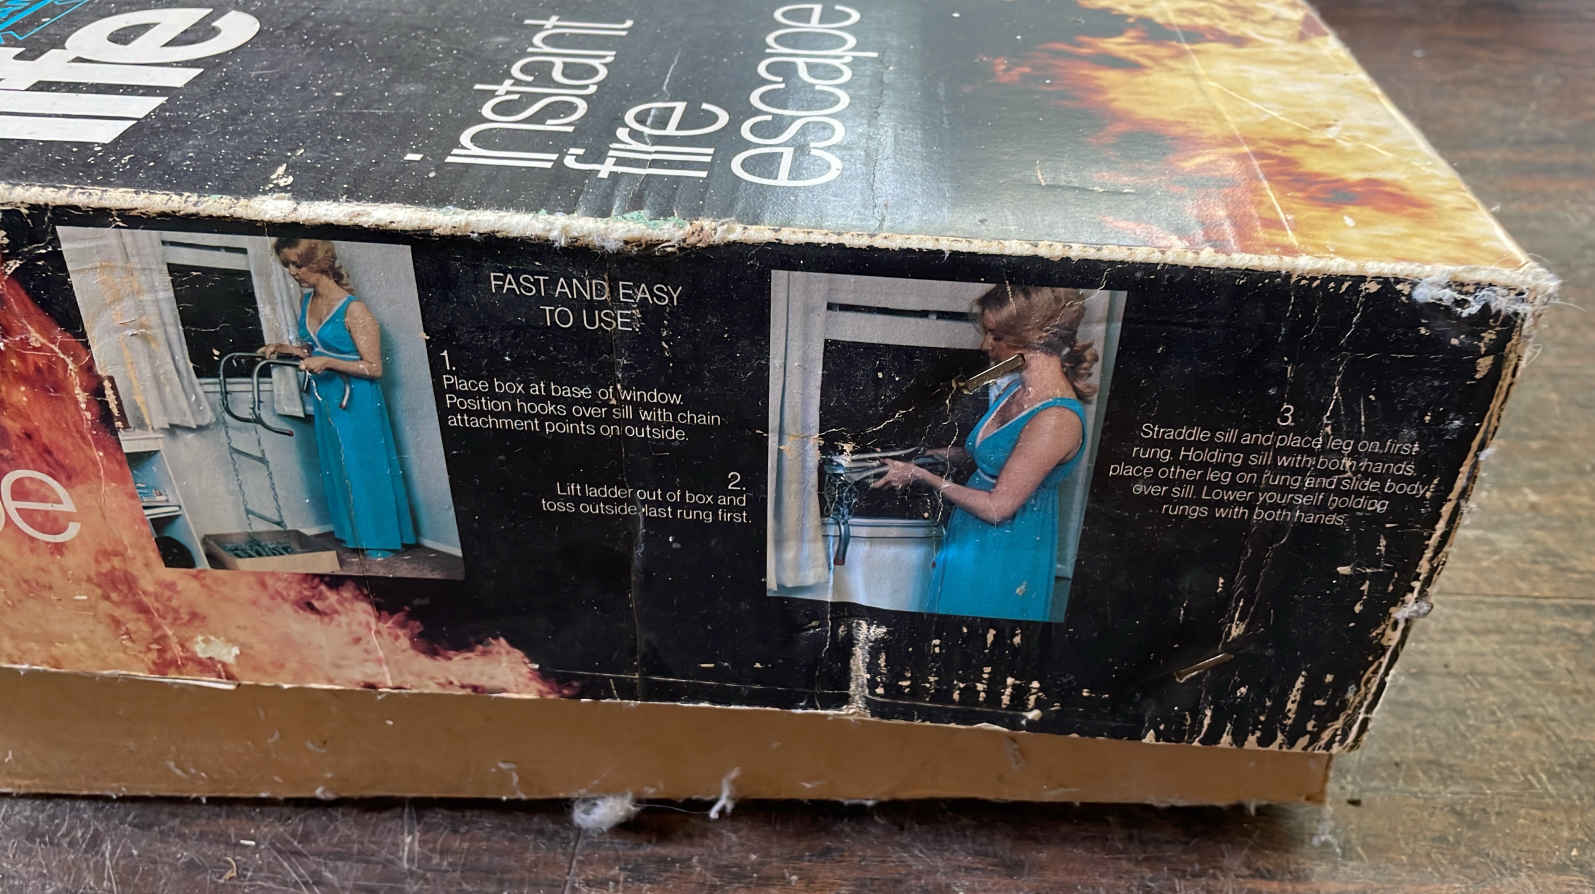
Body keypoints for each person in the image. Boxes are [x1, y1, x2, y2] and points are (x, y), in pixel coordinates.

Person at [873, 285, 1097, 621]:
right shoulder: (1016, 388)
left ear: (1035, 337)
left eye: (996, 336)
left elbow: (997, 509)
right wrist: (927, 455)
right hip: (971, 535)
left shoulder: (1056, 418)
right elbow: (997, 455)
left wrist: (921, 475)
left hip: (1007, 549)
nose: (985, 345)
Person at [261, 238, 416, 559]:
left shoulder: (354, 309)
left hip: (358, 399)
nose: (292, 272)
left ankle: (380, 542)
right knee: (340, 466)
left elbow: (374, 368)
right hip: (327, 396)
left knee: (364, 467)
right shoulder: (307, 301)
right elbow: (316, 347)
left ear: (318, 262)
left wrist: (328, 362)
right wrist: (288, 349)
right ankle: (356, 535)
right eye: (287, 265)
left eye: (297, 264)